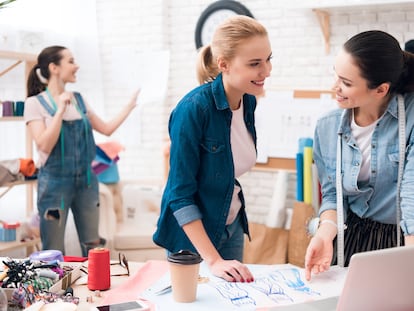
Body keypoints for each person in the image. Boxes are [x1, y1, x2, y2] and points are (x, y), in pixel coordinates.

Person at [153, 15, 272, 282]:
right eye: (255, 64)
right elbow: (179, 195)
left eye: (268, 59)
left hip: (231, 223)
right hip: (193, 236)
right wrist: (214, 260)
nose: (267, 71)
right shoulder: (193, 110)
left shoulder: (248, 102)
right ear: (224, 65)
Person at [305, 30, 414, 281]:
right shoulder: (327, 127)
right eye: (336, 75)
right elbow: (332, 195)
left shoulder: (409, 119)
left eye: (346, 82)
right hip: (349, 237)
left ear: (380, 90)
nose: (335, 87)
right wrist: (324, 235)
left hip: (400, 240)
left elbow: (411, 199)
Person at [24, 46, 138, 257]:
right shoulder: (34, 103)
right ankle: (54, 292)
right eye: (71, 61)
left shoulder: (79, 99)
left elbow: (107, 128)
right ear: (54, 68)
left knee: (94, 247)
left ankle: (94, 290)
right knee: (53, 250)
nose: (76, 66)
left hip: (86, 182)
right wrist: (59, 111)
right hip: (54, 185)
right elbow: (44, 144)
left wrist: (129, 106)